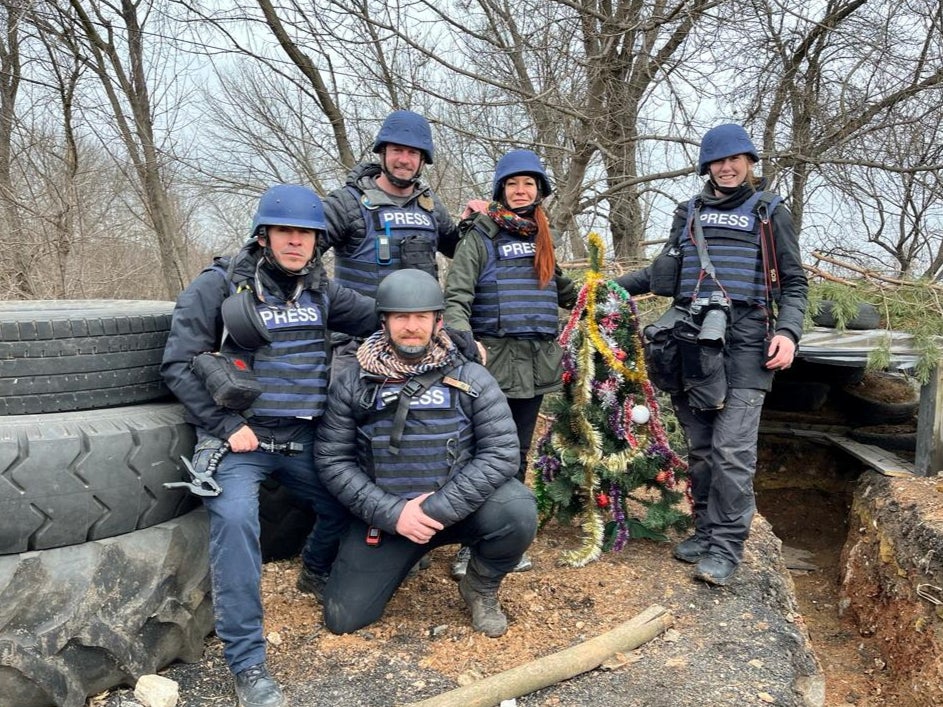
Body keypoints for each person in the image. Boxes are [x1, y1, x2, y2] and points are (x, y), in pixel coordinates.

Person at [161, 184, 379, 707]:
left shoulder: (321, 291)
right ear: (264, 235)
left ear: (317, 241)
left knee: (352, 500)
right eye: (285, 231)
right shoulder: (218, 286)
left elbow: (384, 313)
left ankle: (315, 571)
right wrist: (223, 422)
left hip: (303, 436)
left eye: (306, 234)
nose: (296, 242)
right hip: (240, 440)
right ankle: (247, 663)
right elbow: (176, 363)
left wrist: (446, 327)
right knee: (236, 527)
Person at [616, 124, 808, 586]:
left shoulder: (768, 213)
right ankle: (704, 531)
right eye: (718, 161)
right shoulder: (689, 213)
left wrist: (788, 331)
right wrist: (602, 288)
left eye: (735, 159)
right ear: (707, 167)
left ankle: (725, 547)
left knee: (732, 452)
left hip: (746, 342)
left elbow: (796, 284)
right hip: (690, 341)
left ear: (749, 164)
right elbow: (660, 276)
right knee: (701, 450)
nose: (726, 167)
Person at [314, 269, 537, 638]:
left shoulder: (472, 377)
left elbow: (501, 453)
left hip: (456, 510)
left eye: (422, 317)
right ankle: (405, 558)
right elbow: (333, 461)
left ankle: (480, 587)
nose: (411, 326)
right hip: (388, 517)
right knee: (344, 619)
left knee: (518, 509)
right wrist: (395, 514)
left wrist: (432, 511)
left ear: (438, 322)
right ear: (384, 320)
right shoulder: (352, 381)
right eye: (401, 316)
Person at [443, 149, 576, 578]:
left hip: (535, 366)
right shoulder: (479, 236)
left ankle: (504, 541)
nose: (521, 191)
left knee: (516, 454)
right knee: (478, 455)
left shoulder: (543, 238)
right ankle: (468, 544)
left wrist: (609, 297)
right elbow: (456, 299)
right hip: (490, 366)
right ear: (501, 189)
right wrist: (465, 343)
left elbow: (565, 291)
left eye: (529, 184)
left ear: (539, 192)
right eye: (513, 184)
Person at [319, 110, 462, 372]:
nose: (404, 160)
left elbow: (462, 253)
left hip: (419, 344)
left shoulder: (431, 207)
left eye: (413, 153)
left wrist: (479, 222)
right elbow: (298, 256)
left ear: (422, 161)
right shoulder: (346, 203)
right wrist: (340, 303)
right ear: (382, 152)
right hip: (357, 344)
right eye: (397, 150)